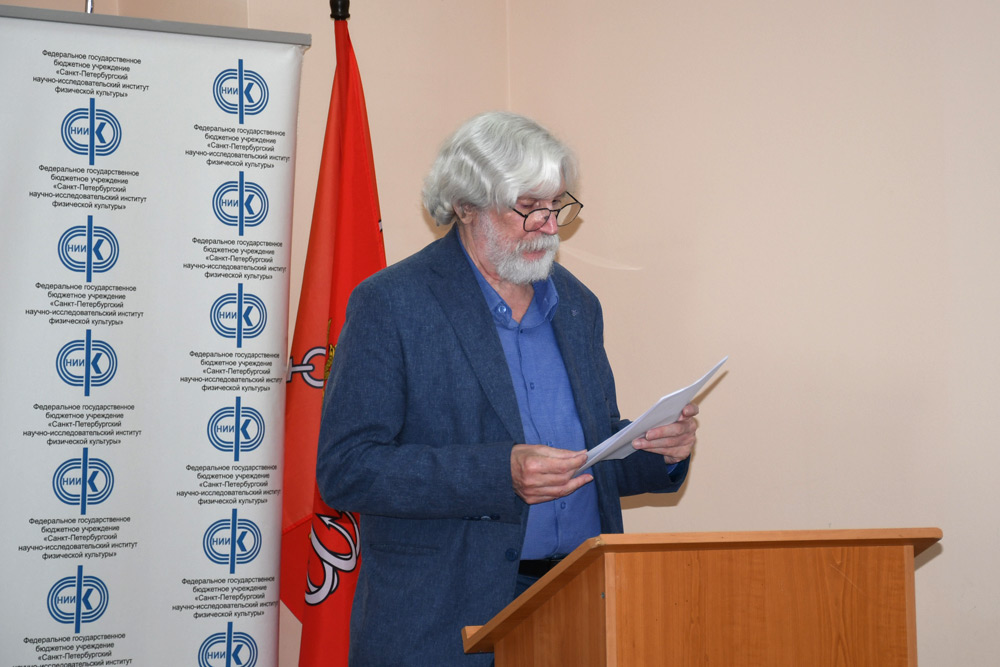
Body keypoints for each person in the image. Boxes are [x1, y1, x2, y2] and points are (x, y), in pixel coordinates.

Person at [316, 111, 699, 666]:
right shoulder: (391, 303)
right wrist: (500, 473)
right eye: (528, 206)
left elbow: (588, 453)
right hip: (442, 621)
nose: (549, 225)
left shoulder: (577, 305)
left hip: (577, 610)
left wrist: (656, 449)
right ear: (465, 205)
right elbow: (347, 469)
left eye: (557, 205)